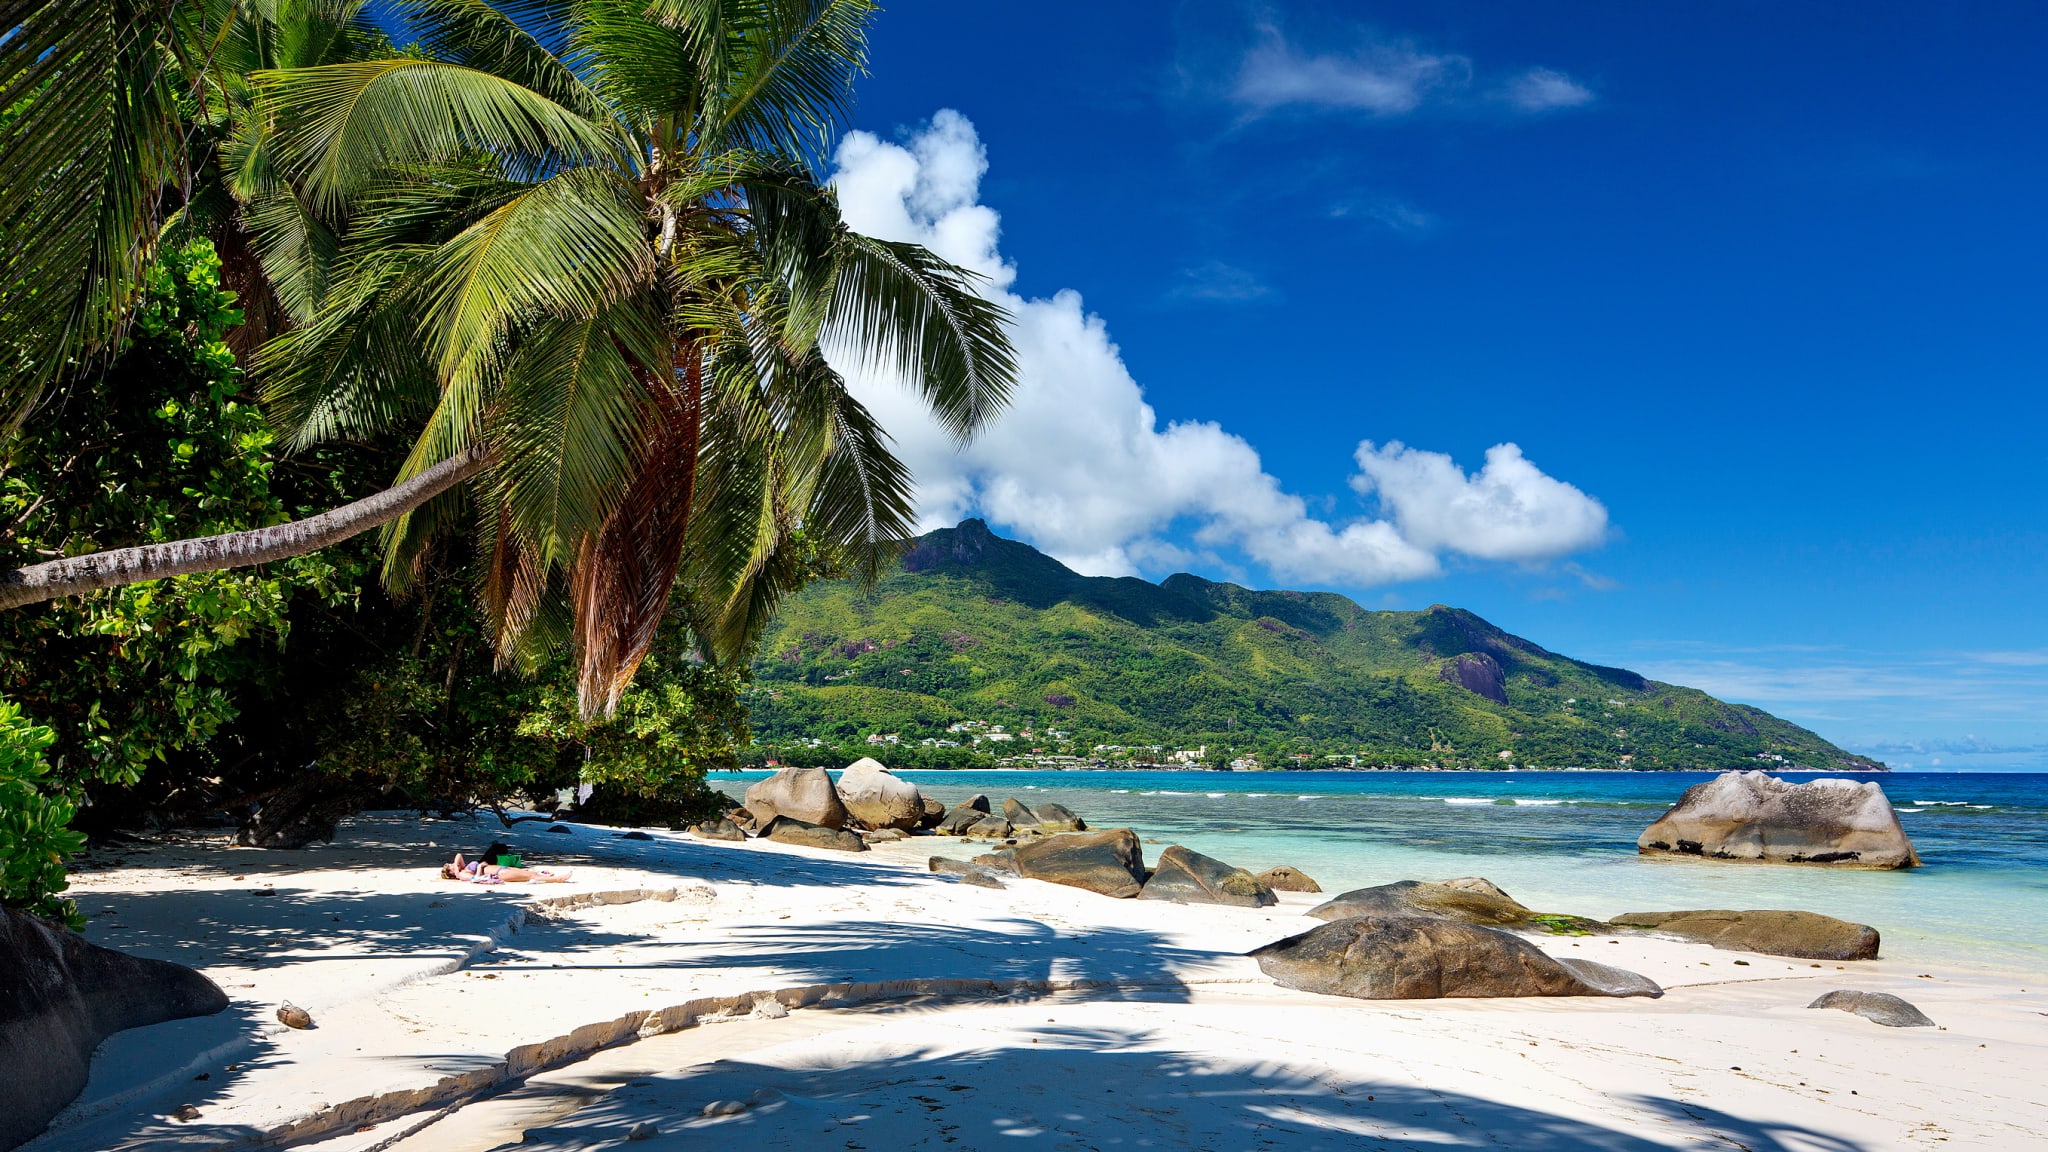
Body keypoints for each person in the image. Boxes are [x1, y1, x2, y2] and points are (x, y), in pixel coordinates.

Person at [440, 852, 570, 884]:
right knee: (530, 876)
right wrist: (479, 867)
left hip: (501, 868)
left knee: (527, 872)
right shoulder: (462, 875)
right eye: (450, 866)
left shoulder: (461, 869)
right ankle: (558, 879)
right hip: (500, 873)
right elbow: (476, 879)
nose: (453, 864)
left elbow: (458, 855)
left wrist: (456, 867)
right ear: (451, 873)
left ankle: (549, 877)